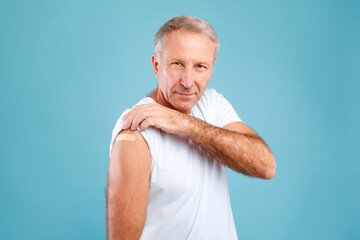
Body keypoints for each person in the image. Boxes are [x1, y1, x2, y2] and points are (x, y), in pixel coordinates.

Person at [107, 15, 276, 240]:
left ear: (212, 68)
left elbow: (265, 166)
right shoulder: (136, 132)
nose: (188, 82)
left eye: (200, 67)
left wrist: (184, 124)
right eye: (177, 64)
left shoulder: (212, 104)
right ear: (157, 65)